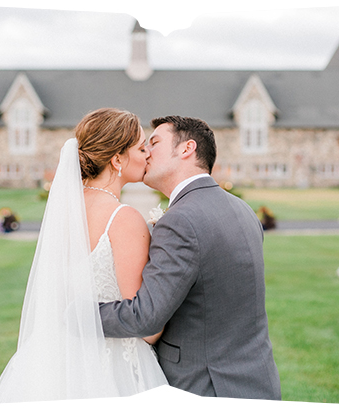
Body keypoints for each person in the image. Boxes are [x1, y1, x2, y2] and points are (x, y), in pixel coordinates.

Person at [0, 108, 167, 402]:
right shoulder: (123, 218)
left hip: (55, 359)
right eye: (140, 146)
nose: (148, 153)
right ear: (117, 158)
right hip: (113, 368)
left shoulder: (64, 211)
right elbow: (146, 327)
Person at [98, 115, 281, 399]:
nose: (146, 152)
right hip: (256, 382)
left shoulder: (182, 220)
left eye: (154, 143)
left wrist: (79, 314)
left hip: (204, 388)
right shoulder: (243, 209)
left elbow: (145, 317)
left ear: (187, 149)